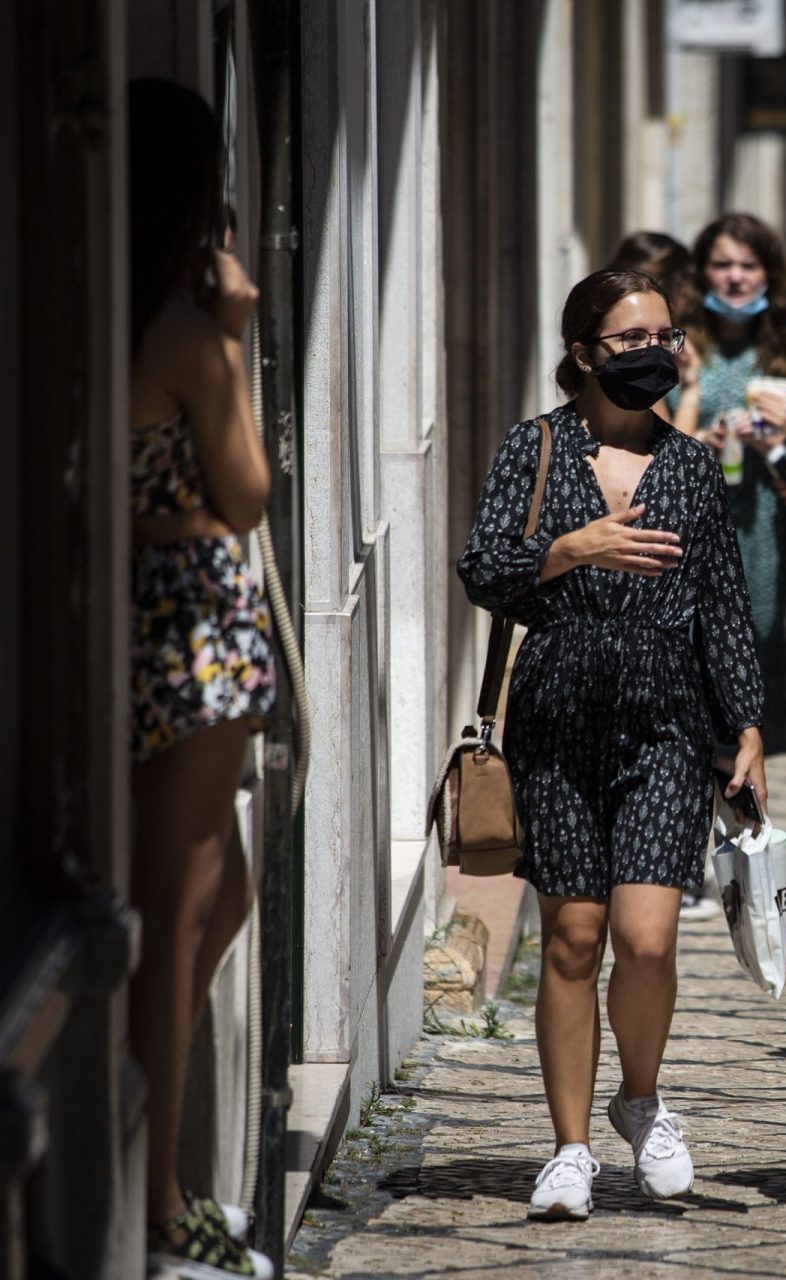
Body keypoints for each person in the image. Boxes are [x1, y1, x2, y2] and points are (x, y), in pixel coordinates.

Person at [458, 268, 766, 1221]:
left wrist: (746, 722)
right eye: (631, 340)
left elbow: (720, 599)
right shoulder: (536, 448)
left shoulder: (688, 465)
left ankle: (642, 1100)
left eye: (666, 338)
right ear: (584, 353)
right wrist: (571, 549)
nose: (656, 355)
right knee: (573, 940)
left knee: (646, 937)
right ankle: (568, 1148)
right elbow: (483, 568)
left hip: (666, 724)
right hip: (555, 721)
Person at [126, 78, 279, 1280]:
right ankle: (159, 1191)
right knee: (181, 908)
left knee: (218, 896)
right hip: (189, 629)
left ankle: (146, 1143)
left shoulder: (98, 305)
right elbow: (248, 492)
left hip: (153, 616)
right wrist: (232, 333)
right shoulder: (182, 328)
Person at [672, 213, 786, 764]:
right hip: (694, 526)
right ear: (702, 272)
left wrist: (781, 439)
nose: (734, 278)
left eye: (748, 266)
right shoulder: (682, 344)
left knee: (758, 653)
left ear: (768, 274)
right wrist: (699, 439)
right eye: (722, 264)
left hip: (765, 532)